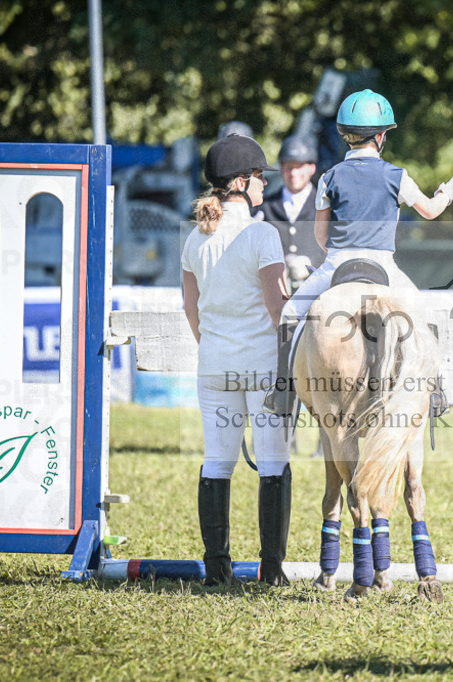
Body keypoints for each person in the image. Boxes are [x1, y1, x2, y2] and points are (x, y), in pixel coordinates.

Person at [264, 89, 453, 415]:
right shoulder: (397, 175)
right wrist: (445, 194)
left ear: (346, 135)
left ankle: (282, 394)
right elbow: (430, 210)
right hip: (383, 267)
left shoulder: (328, 177)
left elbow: (321, 236)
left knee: (290, 315)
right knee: (424, 316)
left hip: (337, 264)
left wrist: (336, 255)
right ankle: (435, 392)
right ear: (380, 136)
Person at [181, 133, 292, 586]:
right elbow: (277, 306)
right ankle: (270, 571)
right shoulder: (262, 234)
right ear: (242, 182)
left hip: (214, 366)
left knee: (217, 463)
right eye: (260, 177)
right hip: (262, 364)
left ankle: (216, 569)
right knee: (273, 463)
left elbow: (192, 309)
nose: (265, 184)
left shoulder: (194, 238)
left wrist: (213, 347)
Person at [255, 134, 327, 289]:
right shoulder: (265, 207)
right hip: (277, 294)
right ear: (281, 168)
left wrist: (311, 264)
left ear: (311, 168)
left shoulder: (327, 207)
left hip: (318, 291)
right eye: (289, 167)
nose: (293, 174)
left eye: (298, 167)